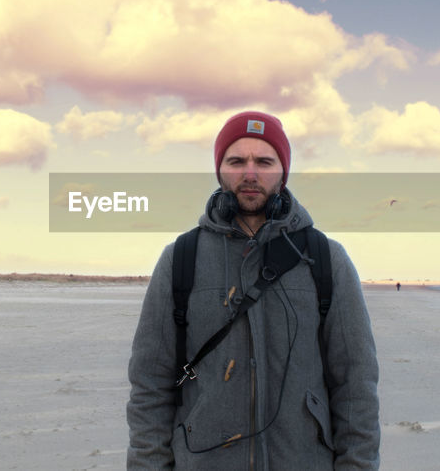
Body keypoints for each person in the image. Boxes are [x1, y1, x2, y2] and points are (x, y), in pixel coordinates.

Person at [127, 111, 380, 469]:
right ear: (220, 171)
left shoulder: (326, 259)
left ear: (282, 171)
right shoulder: (180, 258)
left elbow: (356, 386)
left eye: (264, 161)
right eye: (236, 161)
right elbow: (149, 385)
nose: (250, 173)